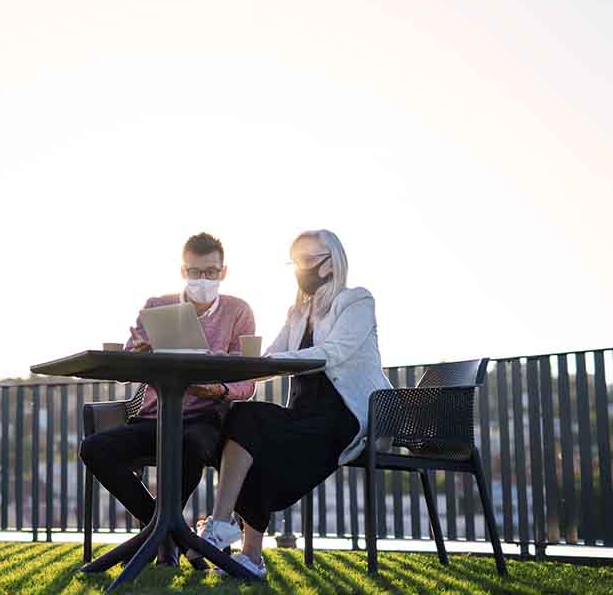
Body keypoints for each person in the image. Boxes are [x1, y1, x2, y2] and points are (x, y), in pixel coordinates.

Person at [194, 229, 392, 578]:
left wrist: (283, 360)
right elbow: (271, 358)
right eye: (294, 261)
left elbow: (335, 353)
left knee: (254, 437)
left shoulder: (357, 301)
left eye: (306, 260)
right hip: (304, 413)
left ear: (330, 264)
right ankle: (242, 547)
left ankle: (230, 533)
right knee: (242, 420)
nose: (299, 269)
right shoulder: (297, 313)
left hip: (342, 416)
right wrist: (226, 372)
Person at [79, 232, 256, 566]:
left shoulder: (238, 311)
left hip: (203, 421)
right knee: (94, 449)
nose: (202, 279)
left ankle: (166, 538)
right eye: (194, 271)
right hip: (152, 417)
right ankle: (172, 534)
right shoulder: (157, 306)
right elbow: (128, 364)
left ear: (224, 272)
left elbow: (248, 381)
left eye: (211, 272)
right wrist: (140, 356)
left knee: (188, 446)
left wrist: (219, 390)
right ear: (182, 270)